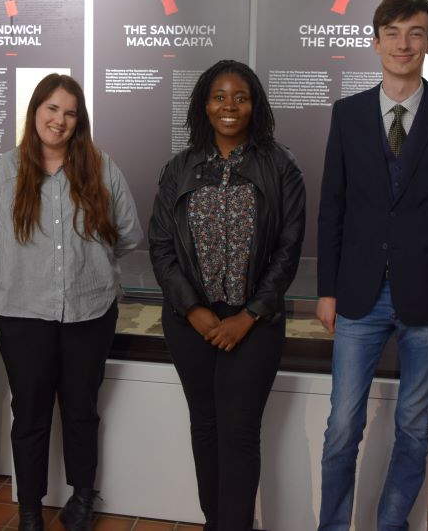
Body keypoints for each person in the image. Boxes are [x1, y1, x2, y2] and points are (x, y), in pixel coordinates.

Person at [316, 0, 428, 530]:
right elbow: (333, 205)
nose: (403, 43)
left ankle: (391, 525)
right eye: (392, 32)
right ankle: (332, 525)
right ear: (375, 41)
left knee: (414, 425)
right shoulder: (347, 113)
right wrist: (327, 289)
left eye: (415, 33)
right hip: (358, 292)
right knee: (343, 423)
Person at [0, 74, 142, 531]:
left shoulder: (101, 169)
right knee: (31, 415)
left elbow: (128, 234)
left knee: (81, 410)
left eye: (70, 112)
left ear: (79, 121)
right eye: (51, 109)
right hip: (22, 317)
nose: (59, 120)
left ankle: (83, 499)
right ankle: (29, 512)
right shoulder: (4, 171)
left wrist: (91, 266)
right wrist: (14, 270)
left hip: (89, 313)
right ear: (35, 111)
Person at [149, 59, 307, 531]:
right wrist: (193, 309)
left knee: (239, 434)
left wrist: (251, 314)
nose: (229, 106)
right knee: (205, 427)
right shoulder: (179, 168)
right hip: (190, 324)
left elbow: (288, 248)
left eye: (240, 97)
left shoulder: (281, 167)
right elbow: (160, 247)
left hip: (252, 324)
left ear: (255, 105)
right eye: (219, 96)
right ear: (204, 104)